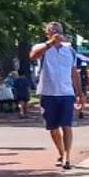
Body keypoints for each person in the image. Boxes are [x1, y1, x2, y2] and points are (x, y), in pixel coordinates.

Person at [29, 21, 80, 169]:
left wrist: (79, 92)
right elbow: (33, 55)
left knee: (67, 125)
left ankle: (67, 157)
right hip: (48, 92)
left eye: (58, 30)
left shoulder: (70, 50)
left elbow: (73, 71)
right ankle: (61, 151)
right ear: (48, 33)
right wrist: (50, 43)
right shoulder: (42, 48)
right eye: (52, 30)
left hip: (66, 92)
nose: (56, 32)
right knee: (52, 127)